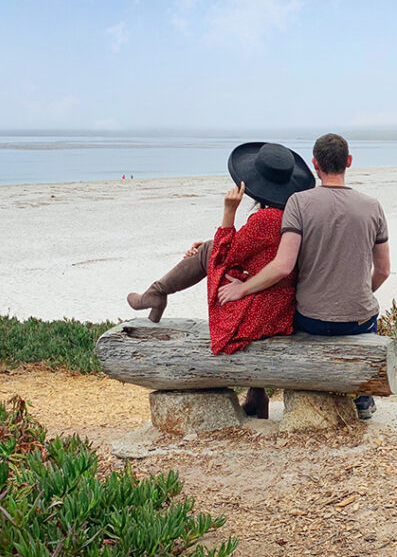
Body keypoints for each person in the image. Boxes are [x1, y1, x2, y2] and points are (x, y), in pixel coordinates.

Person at [126, 142, 316, 417]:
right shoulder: (290, 215)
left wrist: (229, 211)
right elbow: (249, 251)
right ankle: (256, 396)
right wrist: (210, 244)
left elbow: (226, 256)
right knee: (211, 248)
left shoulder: (266, 219)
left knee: (211, 253)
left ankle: (156, 293)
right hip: (281, 302)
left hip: (266, 308)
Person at [217, 133, 390, 420]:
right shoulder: (373, 206)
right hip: (359, 320)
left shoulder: (299, 203)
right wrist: (359, 294)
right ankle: (362, 397)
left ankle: (258, 392)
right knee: (367, 314)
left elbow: (283, 266)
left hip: (312, 320)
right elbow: (383, 270)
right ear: (348, 162)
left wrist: (243, 288)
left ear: (315, 165)